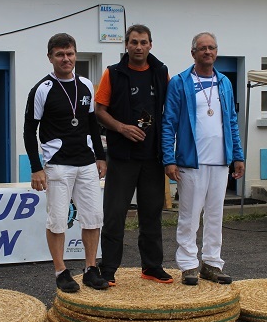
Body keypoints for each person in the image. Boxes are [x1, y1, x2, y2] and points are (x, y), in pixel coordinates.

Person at [23, 33, 109, 293]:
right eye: (59, 54)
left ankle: (91, 268)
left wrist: (101, 156)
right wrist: (36, 168)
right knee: (58, 220)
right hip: (58, 164)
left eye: (70, 53)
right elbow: (29, 131)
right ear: (50, 58)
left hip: (86, 162)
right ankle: (61, 271)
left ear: (75, 55)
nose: (65, 59)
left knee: (93, 218)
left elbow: (92, 124)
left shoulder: (86, 85)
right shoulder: (42, 89)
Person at [161, 31, 245, 286]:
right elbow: (169, 122)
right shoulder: (180, 82)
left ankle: (212, 263)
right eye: (202, 48)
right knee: (189, 216)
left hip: (220, 161)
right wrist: (169, 159)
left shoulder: (224, 82)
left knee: (215, 216)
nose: (208, 52)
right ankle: (188, 265)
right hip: (191, 162)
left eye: (212, 48)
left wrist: (238, 155)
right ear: (193, 53)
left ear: (216, 52)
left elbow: (231, 121)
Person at [95, 24, 172, 286]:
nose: (138, 47)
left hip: (152, 157)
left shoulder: (161, 73)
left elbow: (171, 110)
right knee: (114, 215)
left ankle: (152, 267)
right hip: (122, 157)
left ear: (150, 45)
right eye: (134, 42)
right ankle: (108, 269)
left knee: (151, 214)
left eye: (143, 42)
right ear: (126, 45)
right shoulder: (113, 73)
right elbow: (100, 111)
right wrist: (121, 128)